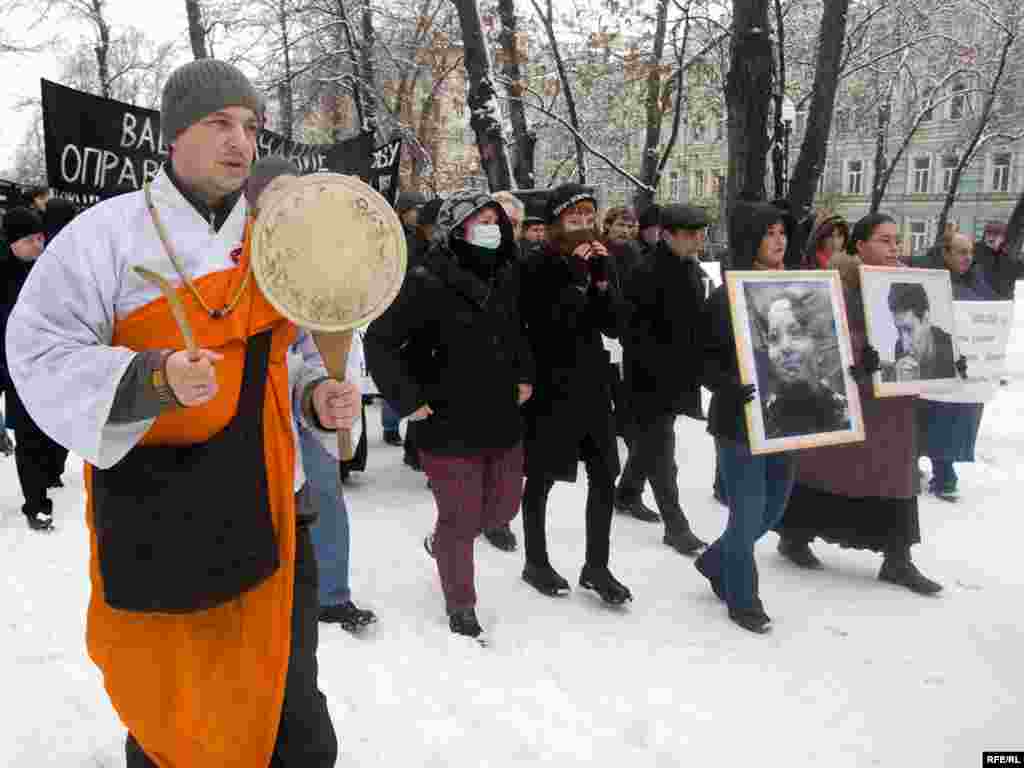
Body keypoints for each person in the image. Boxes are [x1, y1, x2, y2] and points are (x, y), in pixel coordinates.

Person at [6, 60, 361, 766]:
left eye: (252, 127)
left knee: (295, 719)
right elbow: (37, 352)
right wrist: (152, 378)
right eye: (220, 122)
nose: (241, 142)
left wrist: (315, 396)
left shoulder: (275, 238)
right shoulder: (105, 236)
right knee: (176, 714)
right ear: (174, 135)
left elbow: (290, 355)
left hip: (274, 511)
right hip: (160, 516)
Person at [365, 190, 533, 640]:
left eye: (496, 219)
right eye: (480, 219)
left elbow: (518, 331)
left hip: (501, 415)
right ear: (456, 227)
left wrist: (525, 373)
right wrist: (405, 398)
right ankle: (461, 603)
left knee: (502, 507)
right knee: (460, 518)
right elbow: (380, 342)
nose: (491, 226)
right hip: (446, 418)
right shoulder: (424, 278)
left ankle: (442, 544)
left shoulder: (508, 273)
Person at [774, 213, 943, 595]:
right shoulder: (839, 285)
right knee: (824, 467)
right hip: (851, 398)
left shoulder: (908, 284)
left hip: (894, 406)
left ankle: (898, 559)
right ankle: (795, 536)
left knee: (897, 474)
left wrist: (947, 360)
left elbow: (924, 335)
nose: (893, 248)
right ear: (860, 246)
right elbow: (821, 336)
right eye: (884, 240)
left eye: (896, 240)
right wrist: (858, 351)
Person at [518, 183, 632, 605]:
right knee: (542, 477)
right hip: (549, 385)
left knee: (605, 472)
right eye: (574, 218)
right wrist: (576, 275)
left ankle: (596, 566)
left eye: (589, 216)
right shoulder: (537, 264)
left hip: (591, 382)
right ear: (554, 225)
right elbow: (548, 323)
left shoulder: (601, 260)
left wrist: (602, 283)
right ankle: (536, 560)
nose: (584, 225)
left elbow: (615, 325)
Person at [693, 201, 796, 634]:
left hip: (786, 418)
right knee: (747, 512)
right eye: (769, 233)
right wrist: (727, 386)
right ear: (750, 239)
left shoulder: (802, 288)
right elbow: (700, 360)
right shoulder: (727, 294)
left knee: (772, 511)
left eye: (782, 232)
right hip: (739, 420)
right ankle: (743, 597)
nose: (779, 240)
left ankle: (716, 561)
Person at [616, 204, 710, 554]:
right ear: (667, 235)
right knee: (662, 452)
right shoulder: (646, 271)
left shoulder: (690, 266)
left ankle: (626, 493)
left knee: (650, 444)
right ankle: (676, 525)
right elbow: (632, 332)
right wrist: (664, 365)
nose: (699, 239)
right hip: (649, 379)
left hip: (676, 376)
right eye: (691, 233)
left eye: (702, 232)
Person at [1, 206, 67, 530]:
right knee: (29, 437)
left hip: (53, 362)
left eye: (40, 237)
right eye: (29, 240)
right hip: (16, 368)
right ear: (12, 242)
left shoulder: (49, 268)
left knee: (56, 426)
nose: (38, 246)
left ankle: (52, 470)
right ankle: (36, 505)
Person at [918, 231, 995, 500]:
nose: (967, 257)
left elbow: (987, 314)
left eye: (970, 252)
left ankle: (944, 473)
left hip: (963, 367)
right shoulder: (927, 279)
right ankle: (917, 467)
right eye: (961, 252)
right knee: (924, 416)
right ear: (945, 253)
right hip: (930, 362)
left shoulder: (977, 279)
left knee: (951, 417)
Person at [482, 190, 529, 553]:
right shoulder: (469, 260)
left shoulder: (525, 262)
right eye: (501, 222)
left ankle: (499, 518)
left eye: (515, 223)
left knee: (509, 459)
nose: (508, 230)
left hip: (515, 373)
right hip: (473, 373)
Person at [752, 285, 851, 439]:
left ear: (819, 346)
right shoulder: (761, 422)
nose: (785, 347)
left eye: (796, 333)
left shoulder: (847, 415)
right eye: (773, 338)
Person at [881, 282, 956, 383]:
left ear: (926, 320)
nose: (905, 344)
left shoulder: (953, 350)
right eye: (899, 331)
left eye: (909, 330)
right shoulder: (899, 348)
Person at [973, 221, 1024, 300]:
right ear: (984, 235)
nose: (991, 238)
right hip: (978, 298)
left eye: (996, 234)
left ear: (1004, 237)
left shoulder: (1011, 256)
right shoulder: (975, 251)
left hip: (1004, 301)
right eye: (989, 233)